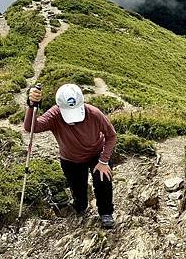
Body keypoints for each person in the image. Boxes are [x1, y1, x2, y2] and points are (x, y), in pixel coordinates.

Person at [24, 83, 117, 228]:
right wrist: (31, 106)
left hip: (96, 154)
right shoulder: (55, 115)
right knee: (77, 189)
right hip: (71, 159)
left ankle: (106, 212)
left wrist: (104, 161)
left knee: (103, 181)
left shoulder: (94, 113)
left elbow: (111, 136)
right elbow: (31, 127)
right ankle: (80, 206)